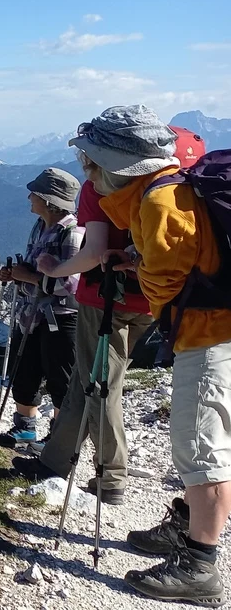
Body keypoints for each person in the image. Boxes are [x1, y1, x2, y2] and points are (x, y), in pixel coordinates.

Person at [66, 105, 230, 604]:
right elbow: (185, 258)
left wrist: (134, 268)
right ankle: (186, 525)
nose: (87, 172)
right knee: (209, 440)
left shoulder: (157, 205)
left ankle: (199, 566)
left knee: (201, 449)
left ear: (118, 164)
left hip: (209, 336)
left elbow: (167, 283)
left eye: (92, 162)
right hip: (213, 329)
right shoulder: (168, 191)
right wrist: (134, 257)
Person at [12, 129, 205, 504]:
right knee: (85, 380)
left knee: (101, 384)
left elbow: (93, 251)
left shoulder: (100, 188)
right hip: (152, 301)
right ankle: (54, 461)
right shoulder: (176, 186)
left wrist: (54, 270)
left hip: (104, 300)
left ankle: (111, 476)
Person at [0, 168, 84, 448]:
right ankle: (25, 430)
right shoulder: (40, 226)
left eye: (35, 193)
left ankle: (58, 440)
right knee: (26, 370)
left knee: (60, 376)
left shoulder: (73, 233)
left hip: (62, 317)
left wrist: (29, 277)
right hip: (31, 313)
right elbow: (33, 266)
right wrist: (15, 274)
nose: (30, 197)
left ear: (49, 200)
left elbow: (71, 284)